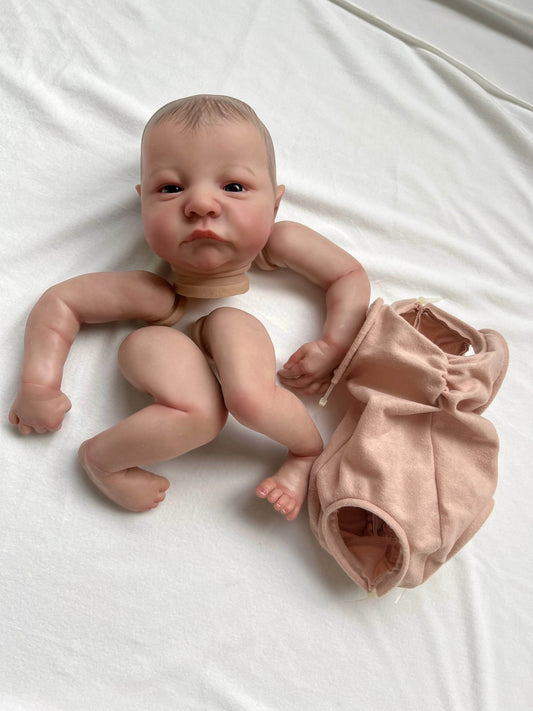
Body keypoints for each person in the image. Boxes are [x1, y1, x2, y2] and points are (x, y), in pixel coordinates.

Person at [8, 94, 370, 520]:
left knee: (247, 385)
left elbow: (347, 275)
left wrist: (332, 345)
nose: (201, 204)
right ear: (143, 203)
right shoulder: (147, 291)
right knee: (201, 412)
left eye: (233, 187)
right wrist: (38, 384)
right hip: (160, 342)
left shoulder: (281, 242)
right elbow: (61, 303)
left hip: (231, 332)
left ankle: (305, 453)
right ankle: (103, 460)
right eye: (171, 188)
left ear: (274, 205)